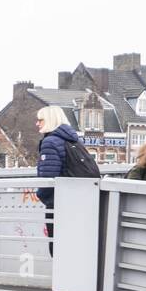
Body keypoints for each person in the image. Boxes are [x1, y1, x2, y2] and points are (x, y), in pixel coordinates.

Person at [34, 105, 81, 255]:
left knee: (57, 248)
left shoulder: (50, 142)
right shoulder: (72, 139)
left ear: (49, 120)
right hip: (76, 199)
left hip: (58, 203)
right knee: (73, 247)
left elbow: (48, 178)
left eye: (40, 120)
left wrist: (42, 196)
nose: (37, 123)